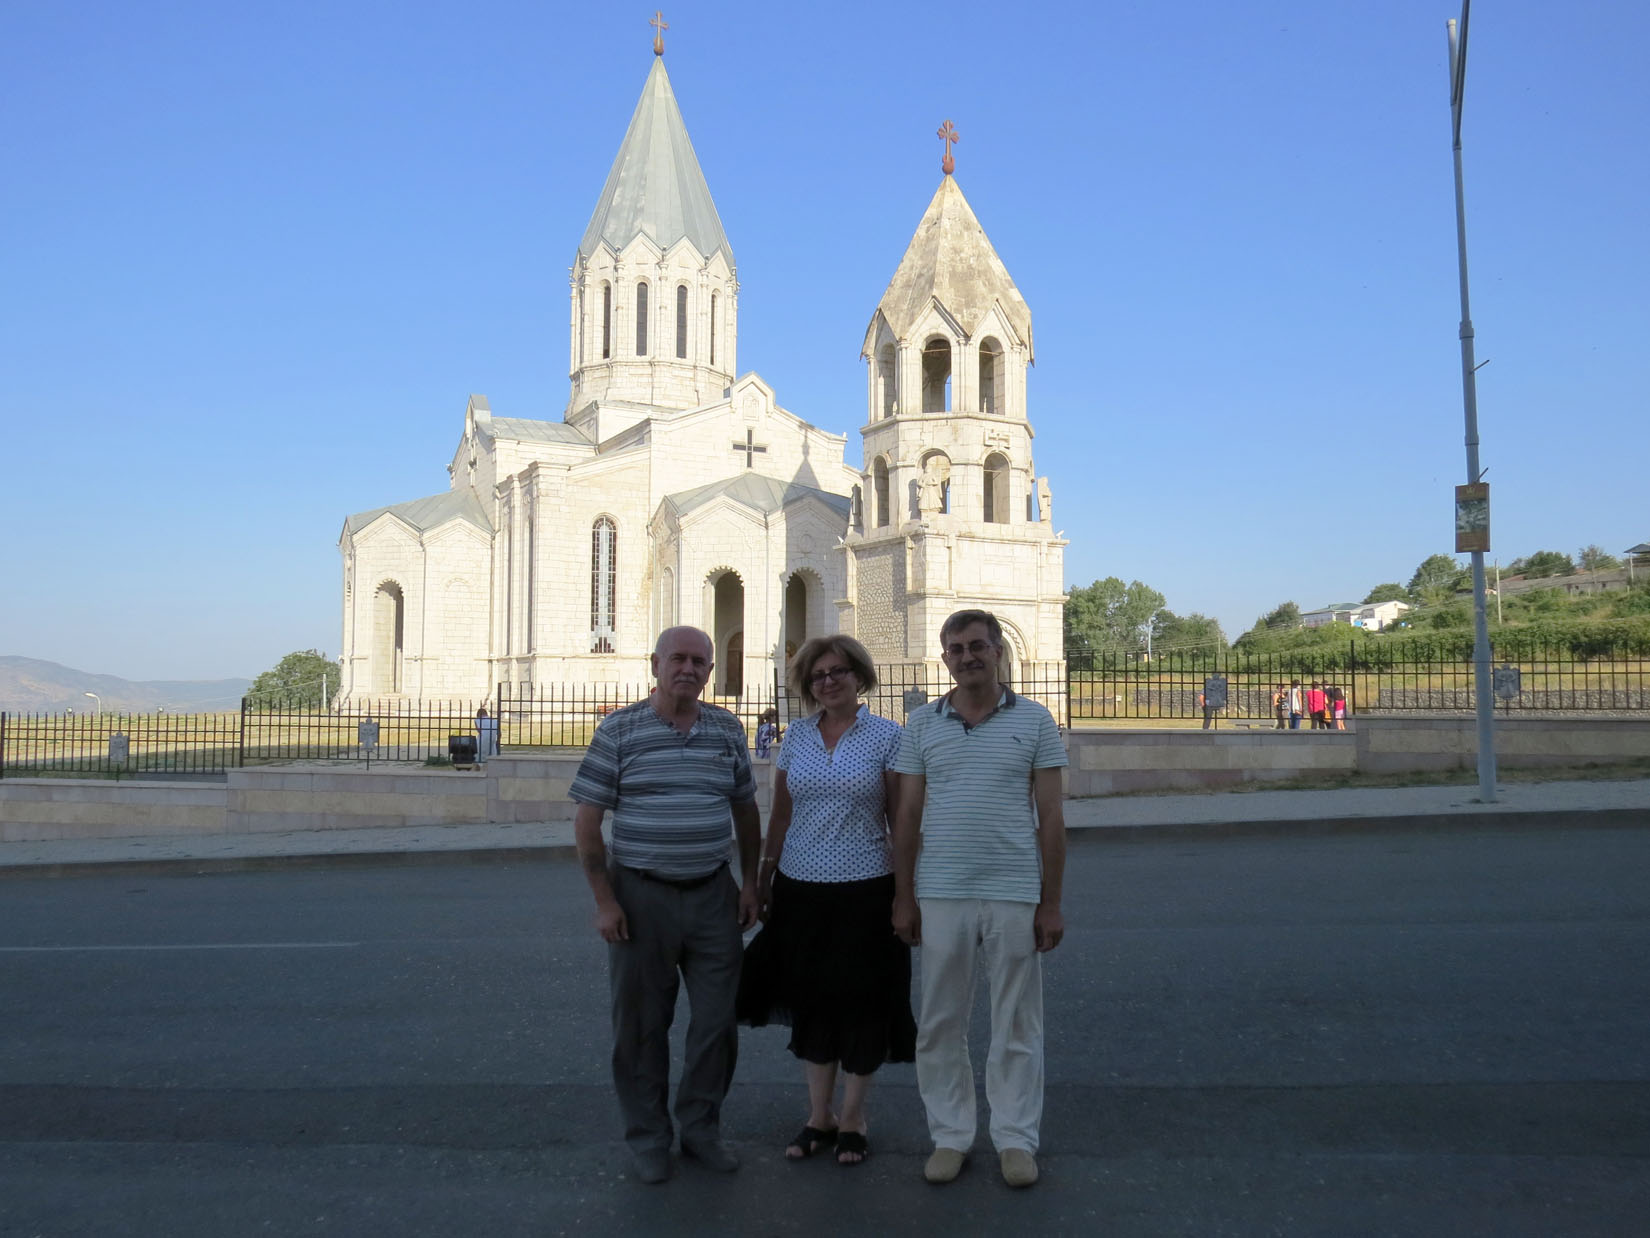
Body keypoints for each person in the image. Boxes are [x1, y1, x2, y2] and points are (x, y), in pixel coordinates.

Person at [569, 626, 761, 1185]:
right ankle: (649, 1138)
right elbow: (587, 821)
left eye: (699, 661)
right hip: (640, 895)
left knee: (716, 1022)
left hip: (711, 894)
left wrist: (750, 885)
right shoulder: (621, 729)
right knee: (641, 1026)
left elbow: (745, 810)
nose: (690, 669)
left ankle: (700, 1129)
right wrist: (605, 901)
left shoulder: (726, 728)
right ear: (654, 664)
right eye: (677, 658)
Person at [891, 609, 1068, 1189]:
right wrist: (904, 898)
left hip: (1015, 888)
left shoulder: (1036, 721)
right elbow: (908, 814)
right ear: (945, 658)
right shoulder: (921, 724)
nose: (968, 656)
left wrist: (1051, 902)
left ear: (998, 652)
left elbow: (1051, 817)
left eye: (978, 646)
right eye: (957, 649)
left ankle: (1016, 1137)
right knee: (941, 1019)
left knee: (1017, 1018)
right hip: (941, 889)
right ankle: (950, 1135)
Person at [738, 635, 913, 1167]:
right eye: (818, 675)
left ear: (859, 676)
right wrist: (765, 877)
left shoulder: (887, 736)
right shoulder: (796, 737)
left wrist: (907, 894)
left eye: (838, 672)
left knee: (862, 1000)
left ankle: (855, 1117)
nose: (828, 681)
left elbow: (902, 822)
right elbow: (781, 815)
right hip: (801, 887)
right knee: (812, 999)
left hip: (866, 887)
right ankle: (820, 1115)